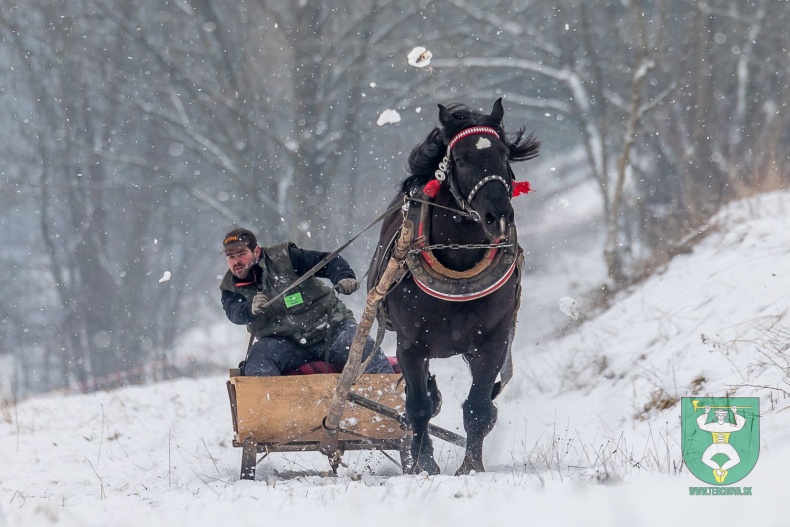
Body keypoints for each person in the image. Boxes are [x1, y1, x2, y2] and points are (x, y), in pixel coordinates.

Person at [219, 227, 394, 376]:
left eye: (241, 254)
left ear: (256, 252)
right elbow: (234, 313)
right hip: (286, 344)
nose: (236, 262)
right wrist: (250, 310)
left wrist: (343, 277)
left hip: (332, 330)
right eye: (231, 257)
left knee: (362, 346)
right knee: (258, 357)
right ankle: (267, 413)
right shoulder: (229, 288)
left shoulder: (285, 258)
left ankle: (391, 401)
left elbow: (328, 261)